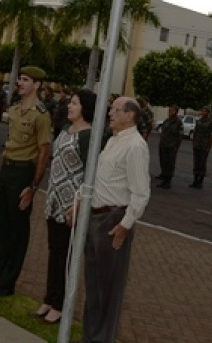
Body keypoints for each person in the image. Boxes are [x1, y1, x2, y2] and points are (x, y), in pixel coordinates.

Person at [81, 96, 150, 343]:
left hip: (113, 221)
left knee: (108, 290)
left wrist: (124, 226)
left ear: (130, 115)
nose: (110, 113)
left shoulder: (135, 146)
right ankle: (89, 336)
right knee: (93, 286)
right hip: (96, 217)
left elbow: (141, 193)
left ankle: (101, 339)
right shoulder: (113, 140)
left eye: (115, 109)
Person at [0, 65, 52, 297]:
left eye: (25, 80)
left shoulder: (41, 115)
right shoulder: (14, 109)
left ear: (37, 85)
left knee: (18, 230)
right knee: (1, 222)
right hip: (7, 168)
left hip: (23, 172)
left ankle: (7, 283)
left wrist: (32, 187)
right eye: (19, 79)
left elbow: (44, 152)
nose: (19, 83)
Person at [33, 88, 96, 325]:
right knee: (54, 252)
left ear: (86, 109)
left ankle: (61, 306)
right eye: (71, 103)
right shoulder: (66, 130)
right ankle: (49, 299)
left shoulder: (88, 136)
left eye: (76, 104)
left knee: (66, 257)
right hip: (55, 199)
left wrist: (78, 204)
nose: (70, 106)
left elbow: (91, 173)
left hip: (72, 205)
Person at [156, 105, 183, 189]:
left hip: (172, 146)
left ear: (176, 112)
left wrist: (176, 146)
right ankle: (164, 179)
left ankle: (168, 181)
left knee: (170, 163)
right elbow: (163, 131)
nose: (169, 112)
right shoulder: (167, 121)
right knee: (163, 162)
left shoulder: (178, 122)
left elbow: (180, 136)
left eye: (172, 110)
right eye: (169, 110)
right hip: (163, 144)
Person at [190, 105, 212, 189]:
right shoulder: (199, 121)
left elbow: (211, 136)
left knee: (202, 164)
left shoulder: (210, 123)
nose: (203, 113)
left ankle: (200, 181)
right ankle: (195, 180)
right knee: (196, 163)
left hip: (204, 146)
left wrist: (208, 147)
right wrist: (194, 143)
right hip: (197, 145)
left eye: (205, 111)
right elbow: (195, 132)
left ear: (208, 113)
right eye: (203, 111)